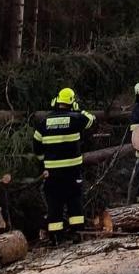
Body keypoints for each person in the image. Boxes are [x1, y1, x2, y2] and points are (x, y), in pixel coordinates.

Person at [32, 88, 96, 245]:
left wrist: (43, 163)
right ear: (72, 102)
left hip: (52, 173)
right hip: (72, 171)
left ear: (57, 101)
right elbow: (91, 119)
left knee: (54, 204)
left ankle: (56, 238)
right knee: (74, 202)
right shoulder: (75, 119)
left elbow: (37, 147)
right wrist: (77, 109)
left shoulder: (43, 122)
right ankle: (77, 234)